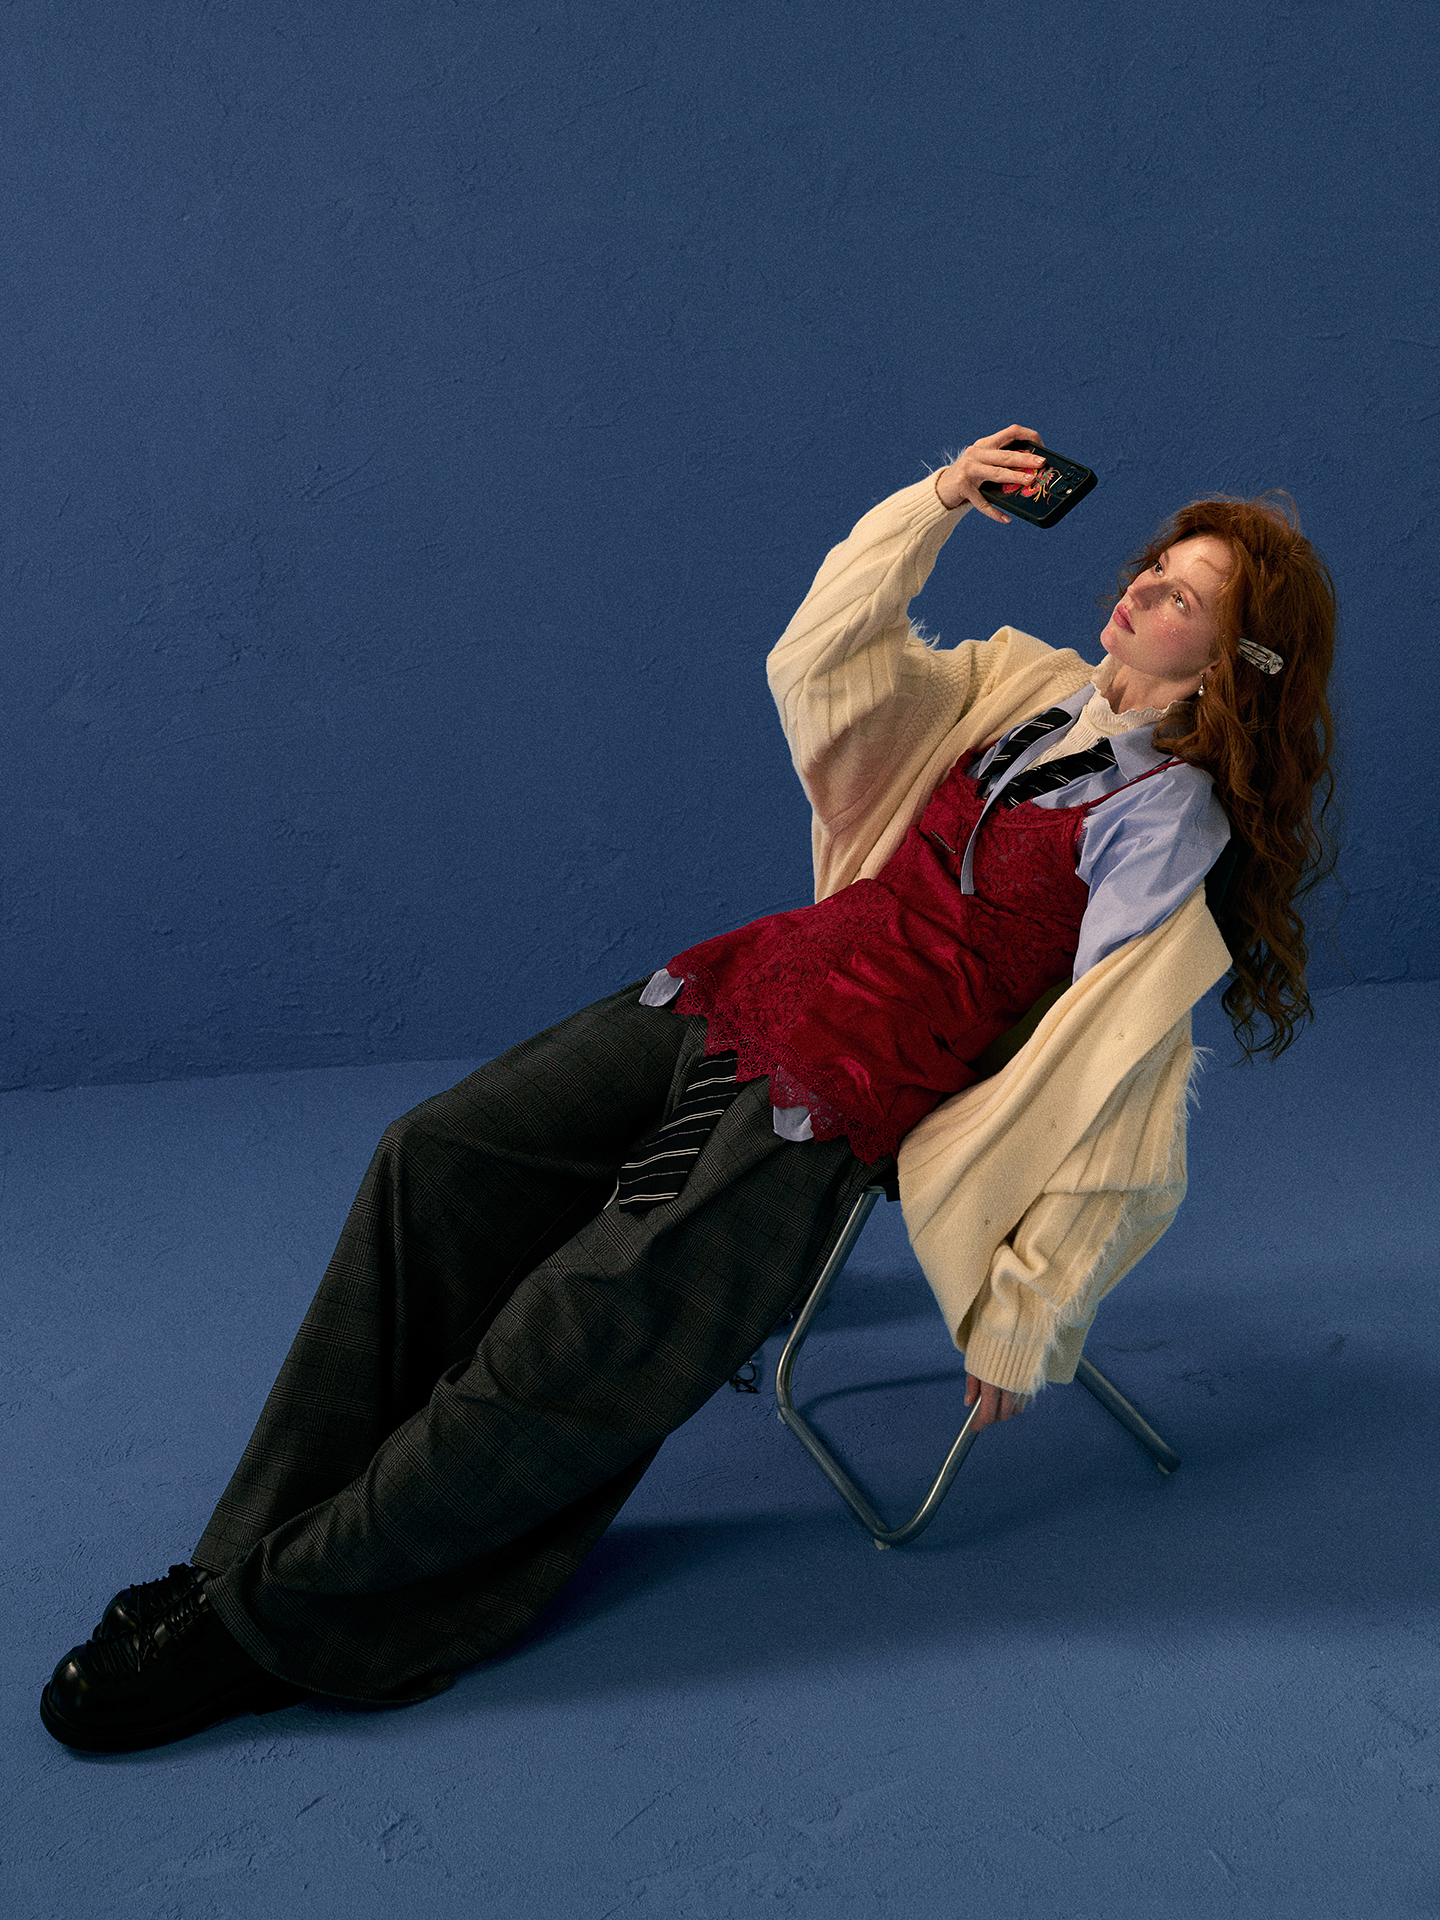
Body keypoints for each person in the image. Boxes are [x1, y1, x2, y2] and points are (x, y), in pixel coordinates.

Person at [39, 422, 1340, 1754]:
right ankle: (237, 1558)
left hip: (847, 1086)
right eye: (1153, 565)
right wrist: (939, 500)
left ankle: (267, 1626)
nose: (1141, 587)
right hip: (757, 978)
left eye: (1184, 596)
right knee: (436, 1153)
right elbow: (817, 666)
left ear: (1235, 663)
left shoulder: (1166, 821)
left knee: (583, 1322)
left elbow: (1124, 1071)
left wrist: (1033, 1307)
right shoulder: (1027, 684)